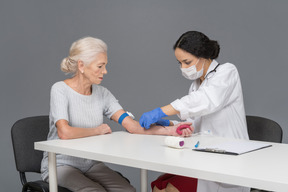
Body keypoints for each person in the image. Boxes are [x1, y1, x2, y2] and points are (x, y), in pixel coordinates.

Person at [41, 37, 192, 192]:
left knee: (128, 191)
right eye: (100, 66)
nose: (105, 71)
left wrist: (171, 131)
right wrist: (97, 131)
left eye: (105, 66)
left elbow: (132, 126)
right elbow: (64, 133)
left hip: (91, 163)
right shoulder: (60, 90)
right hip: (60, 164)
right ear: (81, 65)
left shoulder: (102, 94)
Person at [139, 31, 250, 192]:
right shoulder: (196, 85)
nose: (183, 68)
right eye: (180, 63)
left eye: (187, 62)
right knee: (159, 186)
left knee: (171, 189)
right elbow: (194, 121)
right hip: (203, 156)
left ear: (203, 56)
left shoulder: (227, 72)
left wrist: (161, 111)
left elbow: (206, 101)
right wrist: (171, 124)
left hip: (227, 157)